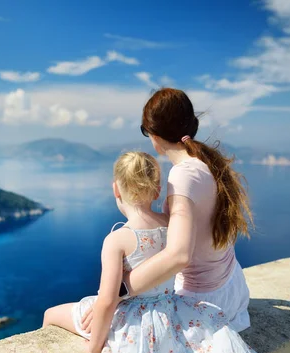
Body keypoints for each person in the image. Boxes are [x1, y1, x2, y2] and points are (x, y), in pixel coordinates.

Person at [42, 151, 264, 353]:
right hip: (169, 313)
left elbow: (107, 300)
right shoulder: (171, 226)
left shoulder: (116, 240)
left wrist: (94, 346)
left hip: (132, 324)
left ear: (116, 189)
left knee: (50, 314)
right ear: (157, 190)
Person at [82, 88, 254, 334]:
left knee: (103, 315)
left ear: (153, 133)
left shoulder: (182, 175)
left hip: (203, 303)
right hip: (231, 289)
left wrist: (118, 291)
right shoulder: (206, 163)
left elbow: (179, 255)